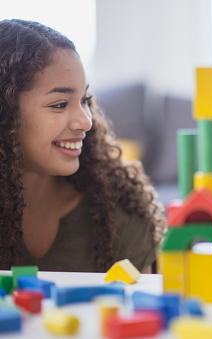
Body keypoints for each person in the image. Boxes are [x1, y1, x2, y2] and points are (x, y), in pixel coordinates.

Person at [0, 19, 166, 273]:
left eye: (85, 99)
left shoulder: (120, 206)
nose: (86, 122)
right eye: (59, 104)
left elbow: (145, 310)